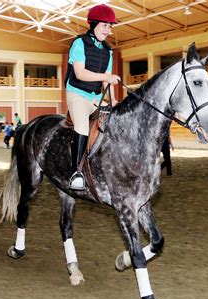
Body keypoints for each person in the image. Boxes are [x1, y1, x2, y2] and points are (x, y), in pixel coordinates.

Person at [64, 4, 120, 190]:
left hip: (96, 96)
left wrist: (113, 101)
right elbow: (80, 74)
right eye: (105, 25)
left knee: (113, 122)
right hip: (77, 94)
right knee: (82, 126)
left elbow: (108, 81)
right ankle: (76, 172)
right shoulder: (79, 43)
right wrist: (106, 77)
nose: (108, 30)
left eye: (110, 26)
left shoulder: (108, 51)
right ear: (94, 24)